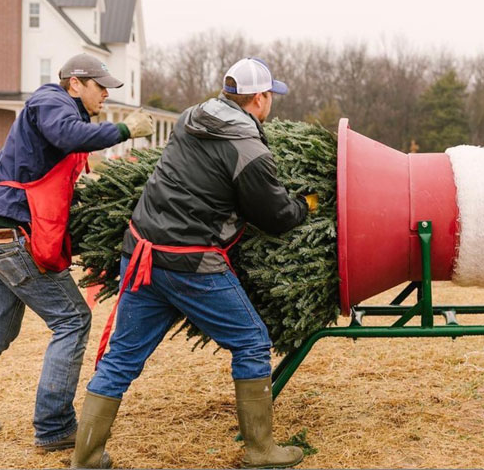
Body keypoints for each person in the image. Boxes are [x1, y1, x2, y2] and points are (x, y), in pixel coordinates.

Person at [72, 57, 315, 469]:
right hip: (190, 263)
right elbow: (273, 217)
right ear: (260, 98)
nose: (271, 102)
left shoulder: (190, 117)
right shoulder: (249, 149)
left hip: (142, 249)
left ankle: (86, 457)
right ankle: (260, 451)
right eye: (270, 95)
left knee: (122, 357)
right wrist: (304, 206)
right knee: (252, 342)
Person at [0, 54, 153, 451]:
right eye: (100, 85)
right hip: (11, 238)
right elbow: (69, 135)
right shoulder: (50, 101)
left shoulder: (60, 110)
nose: (106, 93)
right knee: (72, 320)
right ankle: (54, 428)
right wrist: (123, 130)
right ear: (75, 83)